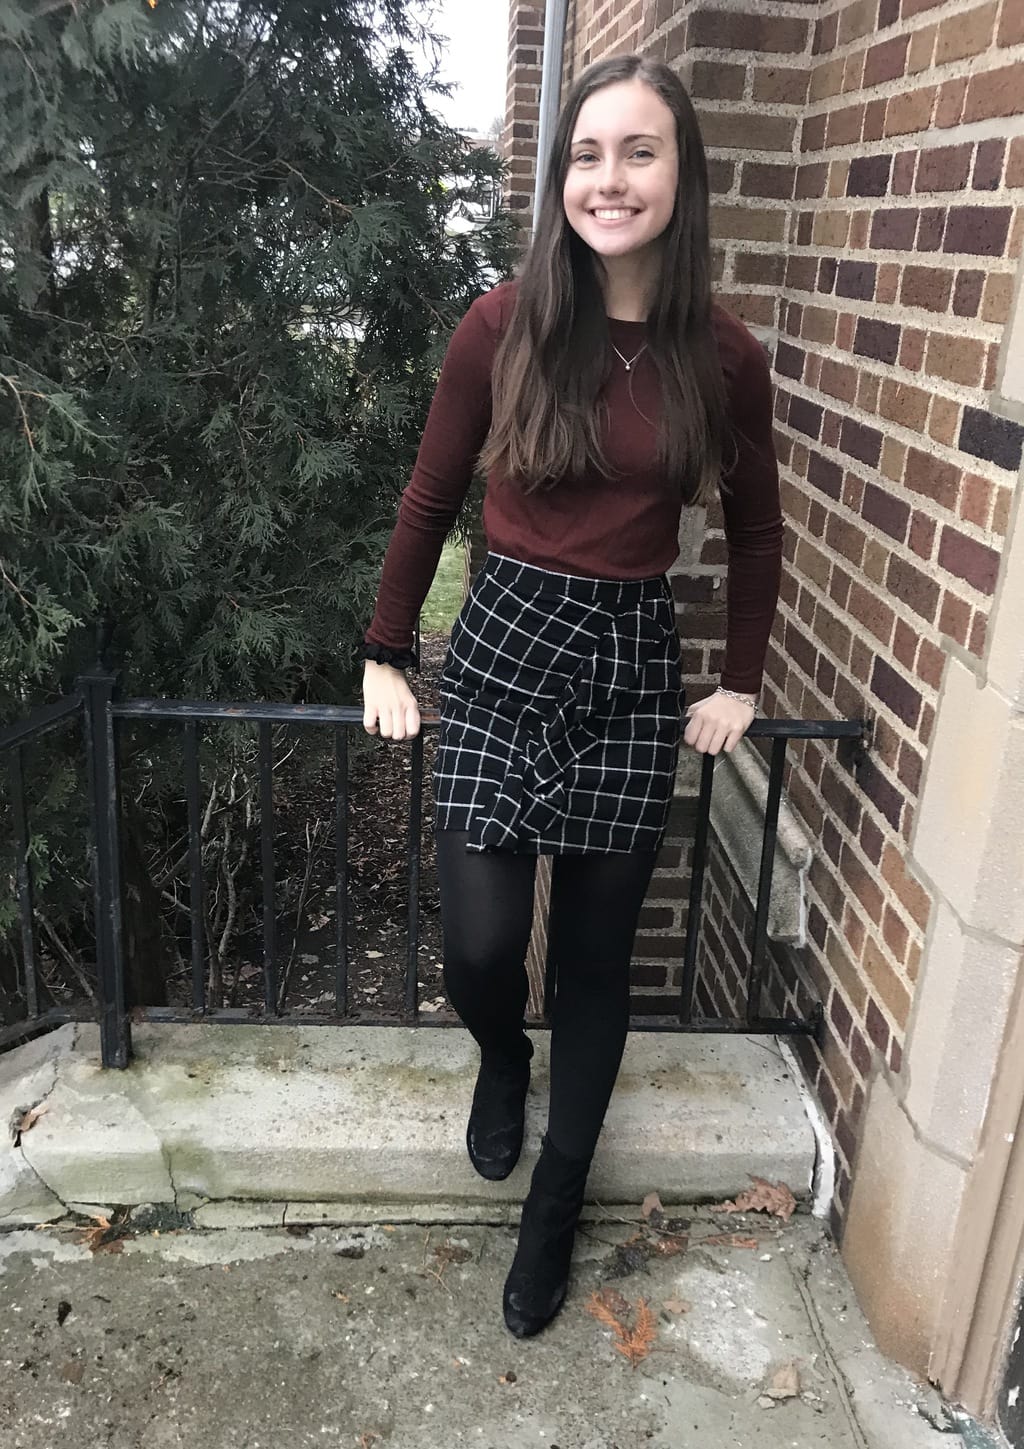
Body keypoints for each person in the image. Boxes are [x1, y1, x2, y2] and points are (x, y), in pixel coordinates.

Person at [360, 54, 783, 1338]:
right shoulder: (503, 323)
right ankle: (502, 1056)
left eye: (638, 151)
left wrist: (743, 682)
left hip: (629, 661)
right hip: (499, 648)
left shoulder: (722, 352)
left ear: (682, 173)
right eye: (586, 154)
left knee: (596, 965)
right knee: (484, 949)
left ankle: (555, 1208)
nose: (609, 178)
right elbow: (431, 499)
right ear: (560, 180)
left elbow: (758, 533)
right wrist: (386, 651)